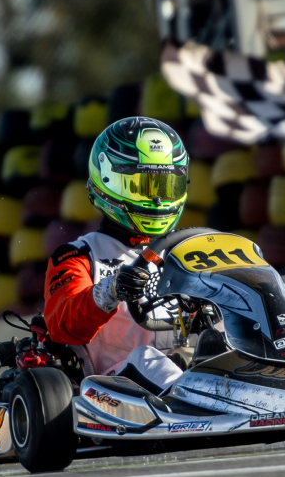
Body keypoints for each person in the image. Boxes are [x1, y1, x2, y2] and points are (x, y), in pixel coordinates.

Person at [43, 116, 189, 392]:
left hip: (189, 370)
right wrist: (109, 290)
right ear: (108, 181)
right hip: (113, 387)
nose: (155, 199)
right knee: (146, 359)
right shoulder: (80, 256)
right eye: (139, 186)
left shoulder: (186, 252)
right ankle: (195, 400)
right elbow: (62, 326)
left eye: (163, 186)